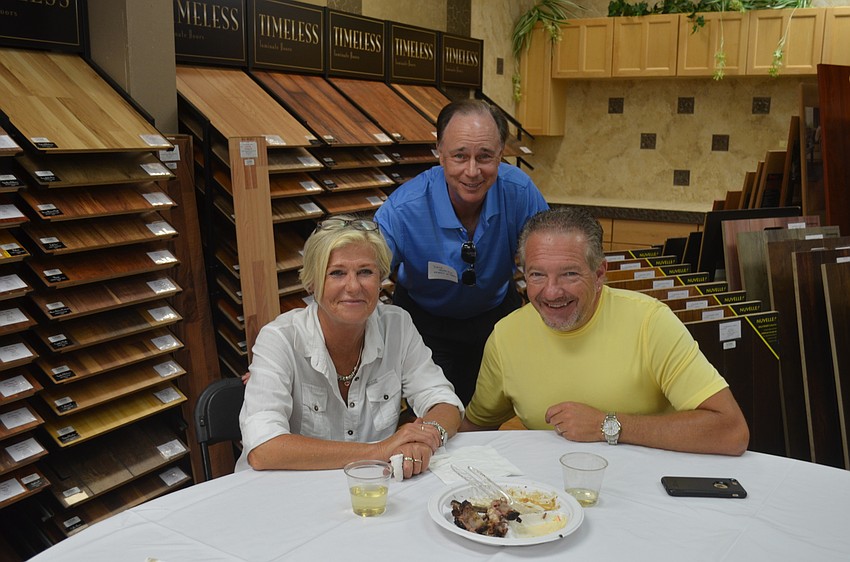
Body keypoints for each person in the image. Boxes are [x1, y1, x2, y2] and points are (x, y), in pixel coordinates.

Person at [460, 207, 750, 456]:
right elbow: (475, 428)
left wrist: (608, 426)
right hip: (550, 496)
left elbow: (732, 431)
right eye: (537, 274)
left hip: (648, 487)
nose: (551, 292)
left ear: (599, 274)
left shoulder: (650, 322)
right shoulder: (506, 336)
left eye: (569, 274)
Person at [237, 215, 464, 478]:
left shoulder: (397, 325)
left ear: (380, 279)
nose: (354, 286)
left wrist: (427, 436)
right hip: (286, 490)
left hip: (369, 487)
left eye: (365, 272)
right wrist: (380, 450)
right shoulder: (279, 338)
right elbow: (264, 449)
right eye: (337, 273)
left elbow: (443, 401)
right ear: (311, 283)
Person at [374, 99, 549, 404]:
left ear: (501, 153)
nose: (472, 171)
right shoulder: (403, 209)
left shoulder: (519, 192)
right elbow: (366, 270)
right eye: (459, 156)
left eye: (485, 157)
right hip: (424, 323)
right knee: (436, 410)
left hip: (495, 317)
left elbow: (550, 258)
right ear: (439, 152)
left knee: (494, 410)